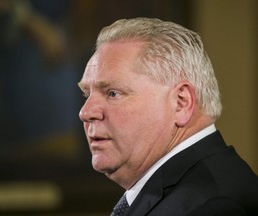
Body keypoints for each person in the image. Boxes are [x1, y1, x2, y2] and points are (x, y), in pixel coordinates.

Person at [78, 17, 258, 216]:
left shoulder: (210, 208)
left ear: (181, 103)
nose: (85, 112)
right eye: (86, 94)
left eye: (113, 93)